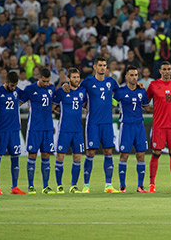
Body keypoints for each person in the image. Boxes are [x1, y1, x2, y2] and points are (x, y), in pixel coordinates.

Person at [63, 57, 120, 193]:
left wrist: (113, 104)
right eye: (100, 65)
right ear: (94, 67)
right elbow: (76, 92)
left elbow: (119, 94)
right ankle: (86, 185)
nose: (102, 68)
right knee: (91, 152)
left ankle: (108, 185)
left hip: (107, 122)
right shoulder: (88, 82)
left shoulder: (111, 82)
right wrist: (66, 86)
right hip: (93, 122)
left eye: (104, 65)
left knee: (108, 151)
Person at [146, 61, 171, 193]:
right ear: (160, 71)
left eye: (169, 69)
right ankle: (152, 184)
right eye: (164, 69)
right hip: (159, 125)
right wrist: (157, 111)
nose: (167, 71)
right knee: (156, 153)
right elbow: (145, 104)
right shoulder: (153, 85)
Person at [114, 66, 150, 193]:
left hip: (139, 126)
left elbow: (147, 106)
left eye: (136, 75)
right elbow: (112, 104)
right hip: (126, 126)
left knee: (141, 155)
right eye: (131, 75)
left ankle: (140, 186)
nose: (134, 77)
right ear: (126, 77)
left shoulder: (142, 91)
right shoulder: (120, 91)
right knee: (124, 155)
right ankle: (122, 185)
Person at [21, 68, 55, 194]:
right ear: (38, 77)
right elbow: (18, 100)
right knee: (32, 155)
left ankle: (46, 186)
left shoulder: (51, 88)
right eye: (44, 81)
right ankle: (31, 186)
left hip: (47, 127)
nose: (46, 84)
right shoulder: (30, 89)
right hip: (34, 127)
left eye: (48, 81)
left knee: (46, 155)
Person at [0, 71, 26, 194]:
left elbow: (28, 94)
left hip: (15, 130)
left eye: (15, 85)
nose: (14, 88)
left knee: (15, 158)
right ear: (6, 82)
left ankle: (14, 187)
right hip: (1, 130)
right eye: (12, 85)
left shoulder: (17, 92)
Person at [53, 68, 87, 194]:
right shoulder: (62, 91)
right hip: (64, 129)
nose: (76, 79)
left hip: (77, 130)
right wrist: (62, 113)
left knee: (77, 157)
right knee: (60, 156)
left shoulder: (83, 91)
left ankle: (74, 185)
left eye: (77, 77)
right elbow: (53, 106)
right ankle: (59, 185)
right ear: (68, 78)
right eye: (73, 77)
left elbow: (85, 105)